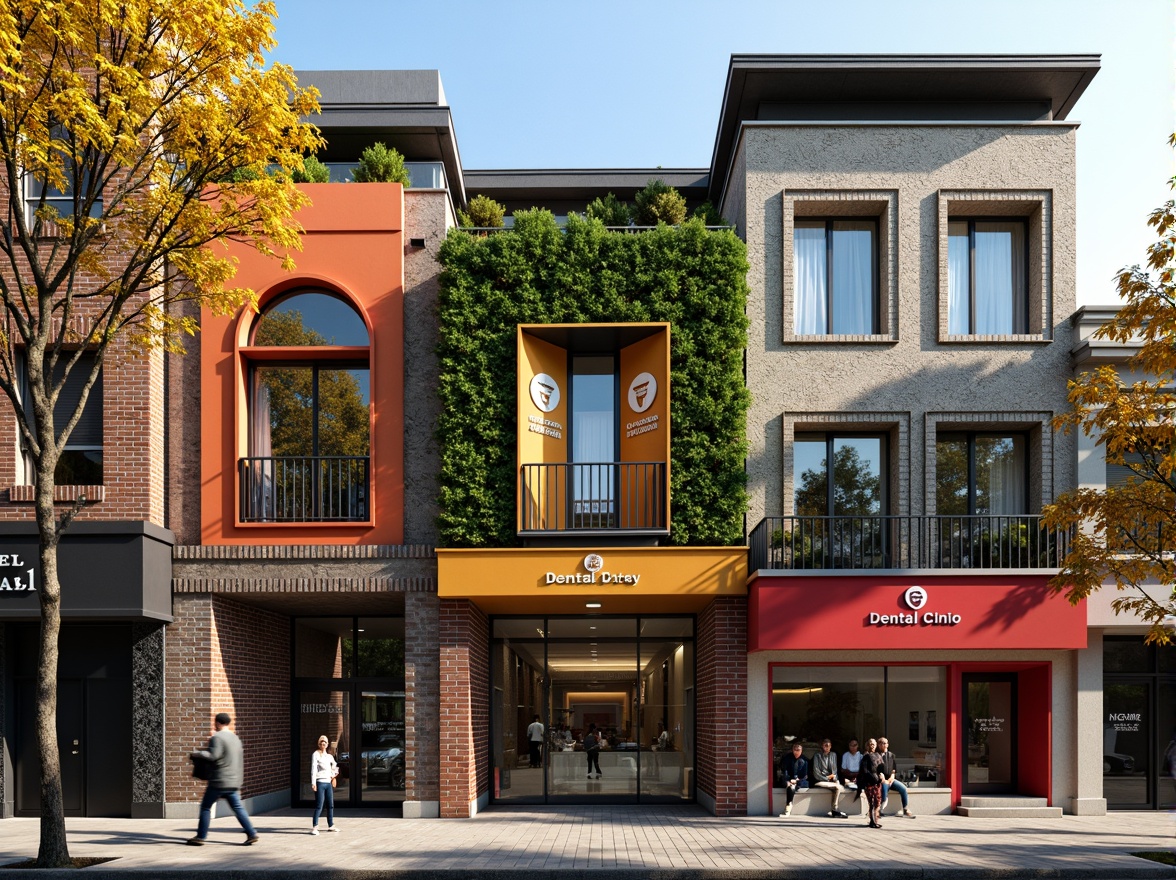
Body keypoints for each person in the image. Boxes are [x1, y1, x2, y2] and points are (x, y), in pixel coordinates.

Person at [187, 712, 259, 846]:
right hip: (233, 780)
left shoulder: (218, 738)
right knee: (238, 808)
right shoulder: (235, 738)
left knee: (206, 807)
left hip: (219, 781)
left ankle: (201, 836)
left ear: (217, 723)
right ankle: (251, 833)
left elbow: (213, 755)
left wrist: (198, 753)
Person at [877, 736, 915, 818]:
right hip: (882, 780)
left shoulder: (891, 756)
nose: (883, 745)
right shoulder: (877, 756)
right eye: (881, 743)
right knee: (884, 794)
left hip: (891, 779)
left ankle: (905, 808)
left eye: (885, 743)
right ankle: (880, 810)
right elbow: (876, 770)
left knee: (903, 789)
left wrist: (891, 778)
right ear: (878, 745)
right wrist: (883, 779)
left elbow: (894, 770)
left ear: (887, 744)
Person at [309, 734, 339, 834]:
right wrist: (313, 783)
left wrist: (333, 775)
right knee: (319, 805)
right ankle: (315, 827)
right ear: (319, 743)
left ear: (327, 744)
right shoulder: (316, 754)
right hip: (320, 782)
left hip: (328, 783)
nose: (323, 743)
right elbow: (313, 769)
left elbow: (335, 766)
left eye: (325, 742)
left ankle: (331, 825)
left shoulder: (329, 756)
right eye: (322, 742)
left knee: (330, 805)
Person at [812, 738, 848, 818]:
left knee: (839, 786)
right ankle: (835, 809)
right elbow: (816, 772)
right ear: (822, 746)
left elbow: (834, 770)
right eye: (825, 745)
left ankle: (834, 809)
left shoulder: (833, 755)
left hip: (831, 780)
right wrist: (827, 778)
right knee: (837, 787)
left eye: (828, 746)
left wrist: (834, 778)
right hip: (820, 780)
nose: (826, 747)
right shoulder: (817, 756)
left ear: (831, 746)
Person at [859, 737, 886, 828]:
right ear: (867, 745)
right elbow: (865, 770)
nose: (872, 746)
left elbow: (882, 767)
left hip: (878, 782)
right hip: (869, 783)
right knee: (871, 802)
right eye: (870, 744)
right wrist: (872, 779)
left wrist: (881, 775)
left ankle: (876, 819)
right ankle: (872, 821)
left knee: (877, 802)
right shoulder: (865, 757)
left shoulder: (878, 755)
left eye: (874, 744)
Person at [778, 741, 809, 817]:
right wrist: (788, 780)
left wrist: (797, 780)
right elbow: (784, 770)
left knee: (793, 786)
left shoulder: (804, 760)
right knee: (790, 787)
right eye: (795, 750)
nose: (796, 752)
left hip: (800, 781)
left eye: (798, 750)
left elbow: (805, 774)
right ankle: (788, 807)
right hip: (789, 779)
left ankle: (788, 808)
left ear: (801, 751)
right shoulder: (787, 758)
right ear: (792, 750)